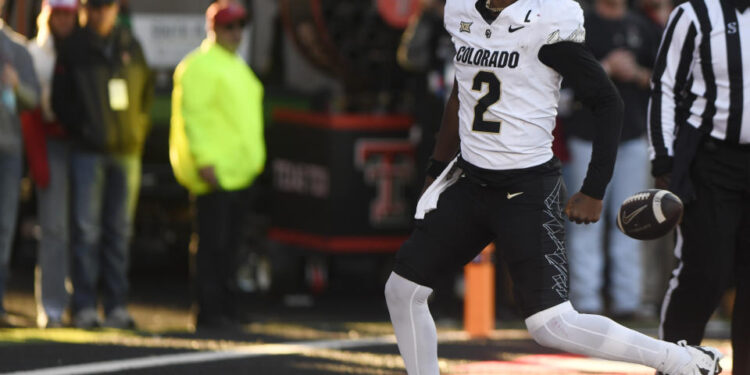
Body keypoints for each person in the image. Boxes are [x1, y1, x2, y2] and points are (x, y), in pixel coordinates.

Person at [383, 0, 724, 374]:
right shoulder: (462, 10)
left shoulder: (548, 18)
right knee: (404, 290)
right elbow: (461, 93)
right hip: (471, 180)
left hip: (525, 189)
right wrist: (437, 166)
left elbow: (608, 102)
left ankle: (682, 360)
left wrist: (595, 188)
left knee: (550, 324)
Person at [648, 0, 749, 372]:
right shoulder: (693, 14)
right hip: (711, 161)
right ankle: (674, 365)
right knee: (705, 272)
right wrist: (663, 159)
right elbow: (665, 86)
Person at [52, 0, 153, 329]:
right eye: (93, 7)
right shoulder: (74, 47)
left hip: (126, 152)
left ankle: (116, 305)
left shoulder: (129, 44)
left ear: (115, 9)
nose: (99, 13)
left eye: (105, 6)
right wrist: (83, 128)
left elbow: (147, 94)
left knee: (119, 231)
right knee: (85, 230)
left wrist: (136, 131)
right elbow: (60, 100)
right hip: (88, 151)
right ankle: (83, 305)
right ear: (85, 9)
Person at [170, 0, 265, 330]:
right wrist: (205, 161)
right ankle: (209, 311)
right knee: (213, 245)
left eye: (240, 26)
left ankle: (228, 307)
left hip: (240, 172)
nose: (236, 33)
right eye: (229, 26)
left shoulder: (236, 66)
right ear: (213, 29)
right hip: (215, 173)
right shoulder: (199, 66)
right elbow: (194, 118)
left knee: (232, 246)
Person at [562, 0, 660, 319]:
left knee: (631, 218)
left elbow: (666, 80)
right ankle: (585, 299)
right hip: (586, 134)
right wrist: (604, 68)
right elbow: (560, 79)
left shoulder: (643, 26)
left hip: (631, 134)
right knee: (584, 217)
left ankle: (627, 298)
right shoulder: (578, 23)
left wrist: (637, 73)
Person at [27, 0, 79, 329]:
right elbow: (30, 112)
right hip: (48, 142)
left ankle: (80, 302)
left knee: (82, 228)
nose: (62, 20)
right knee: (54, 228)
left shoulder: (83, 49)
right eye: (56, 13)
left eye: (67, 14)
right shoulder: (34, 53)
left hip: (81, 144)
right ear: (47, 15)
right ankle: (52, 304)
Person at [0, 0, 41, 328]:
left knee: (4, 228)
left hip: (9, 152)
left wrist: (15, 85)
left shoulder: (18, 49)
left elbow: (33, 101)